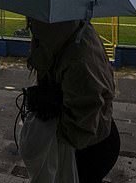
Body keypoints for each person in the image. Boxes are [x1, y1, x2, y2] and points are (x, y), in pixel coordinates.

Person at [26, 18, 119, 183]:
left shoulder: (77, 54)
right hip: (94, 140)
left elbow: (81, 129)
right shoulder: (69, 35)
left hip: (90, 149)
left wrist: (48, 136)